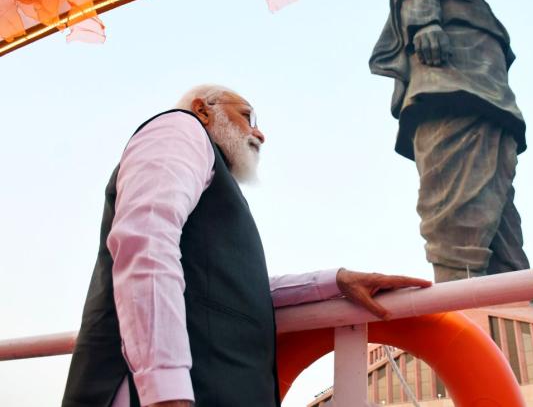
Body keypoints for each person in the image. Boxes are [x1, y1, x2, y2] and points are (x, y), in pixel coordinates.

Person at [61, 84, 431, 407]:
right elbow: (146, 239)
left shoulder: (210, 173)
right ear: (203, 110)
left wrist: (336, 282)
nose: (260, 133)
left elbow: (224, 286)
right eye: (247, 116)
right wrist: (165, 391)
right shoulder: (180, 129)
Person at [369, 0, 530, 283]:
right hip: (450, 88)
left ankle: (513, 286)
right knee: (457, 200)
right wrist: (425, 25)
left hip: (490, 96)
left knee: (498, 201)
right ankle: (462, 292)